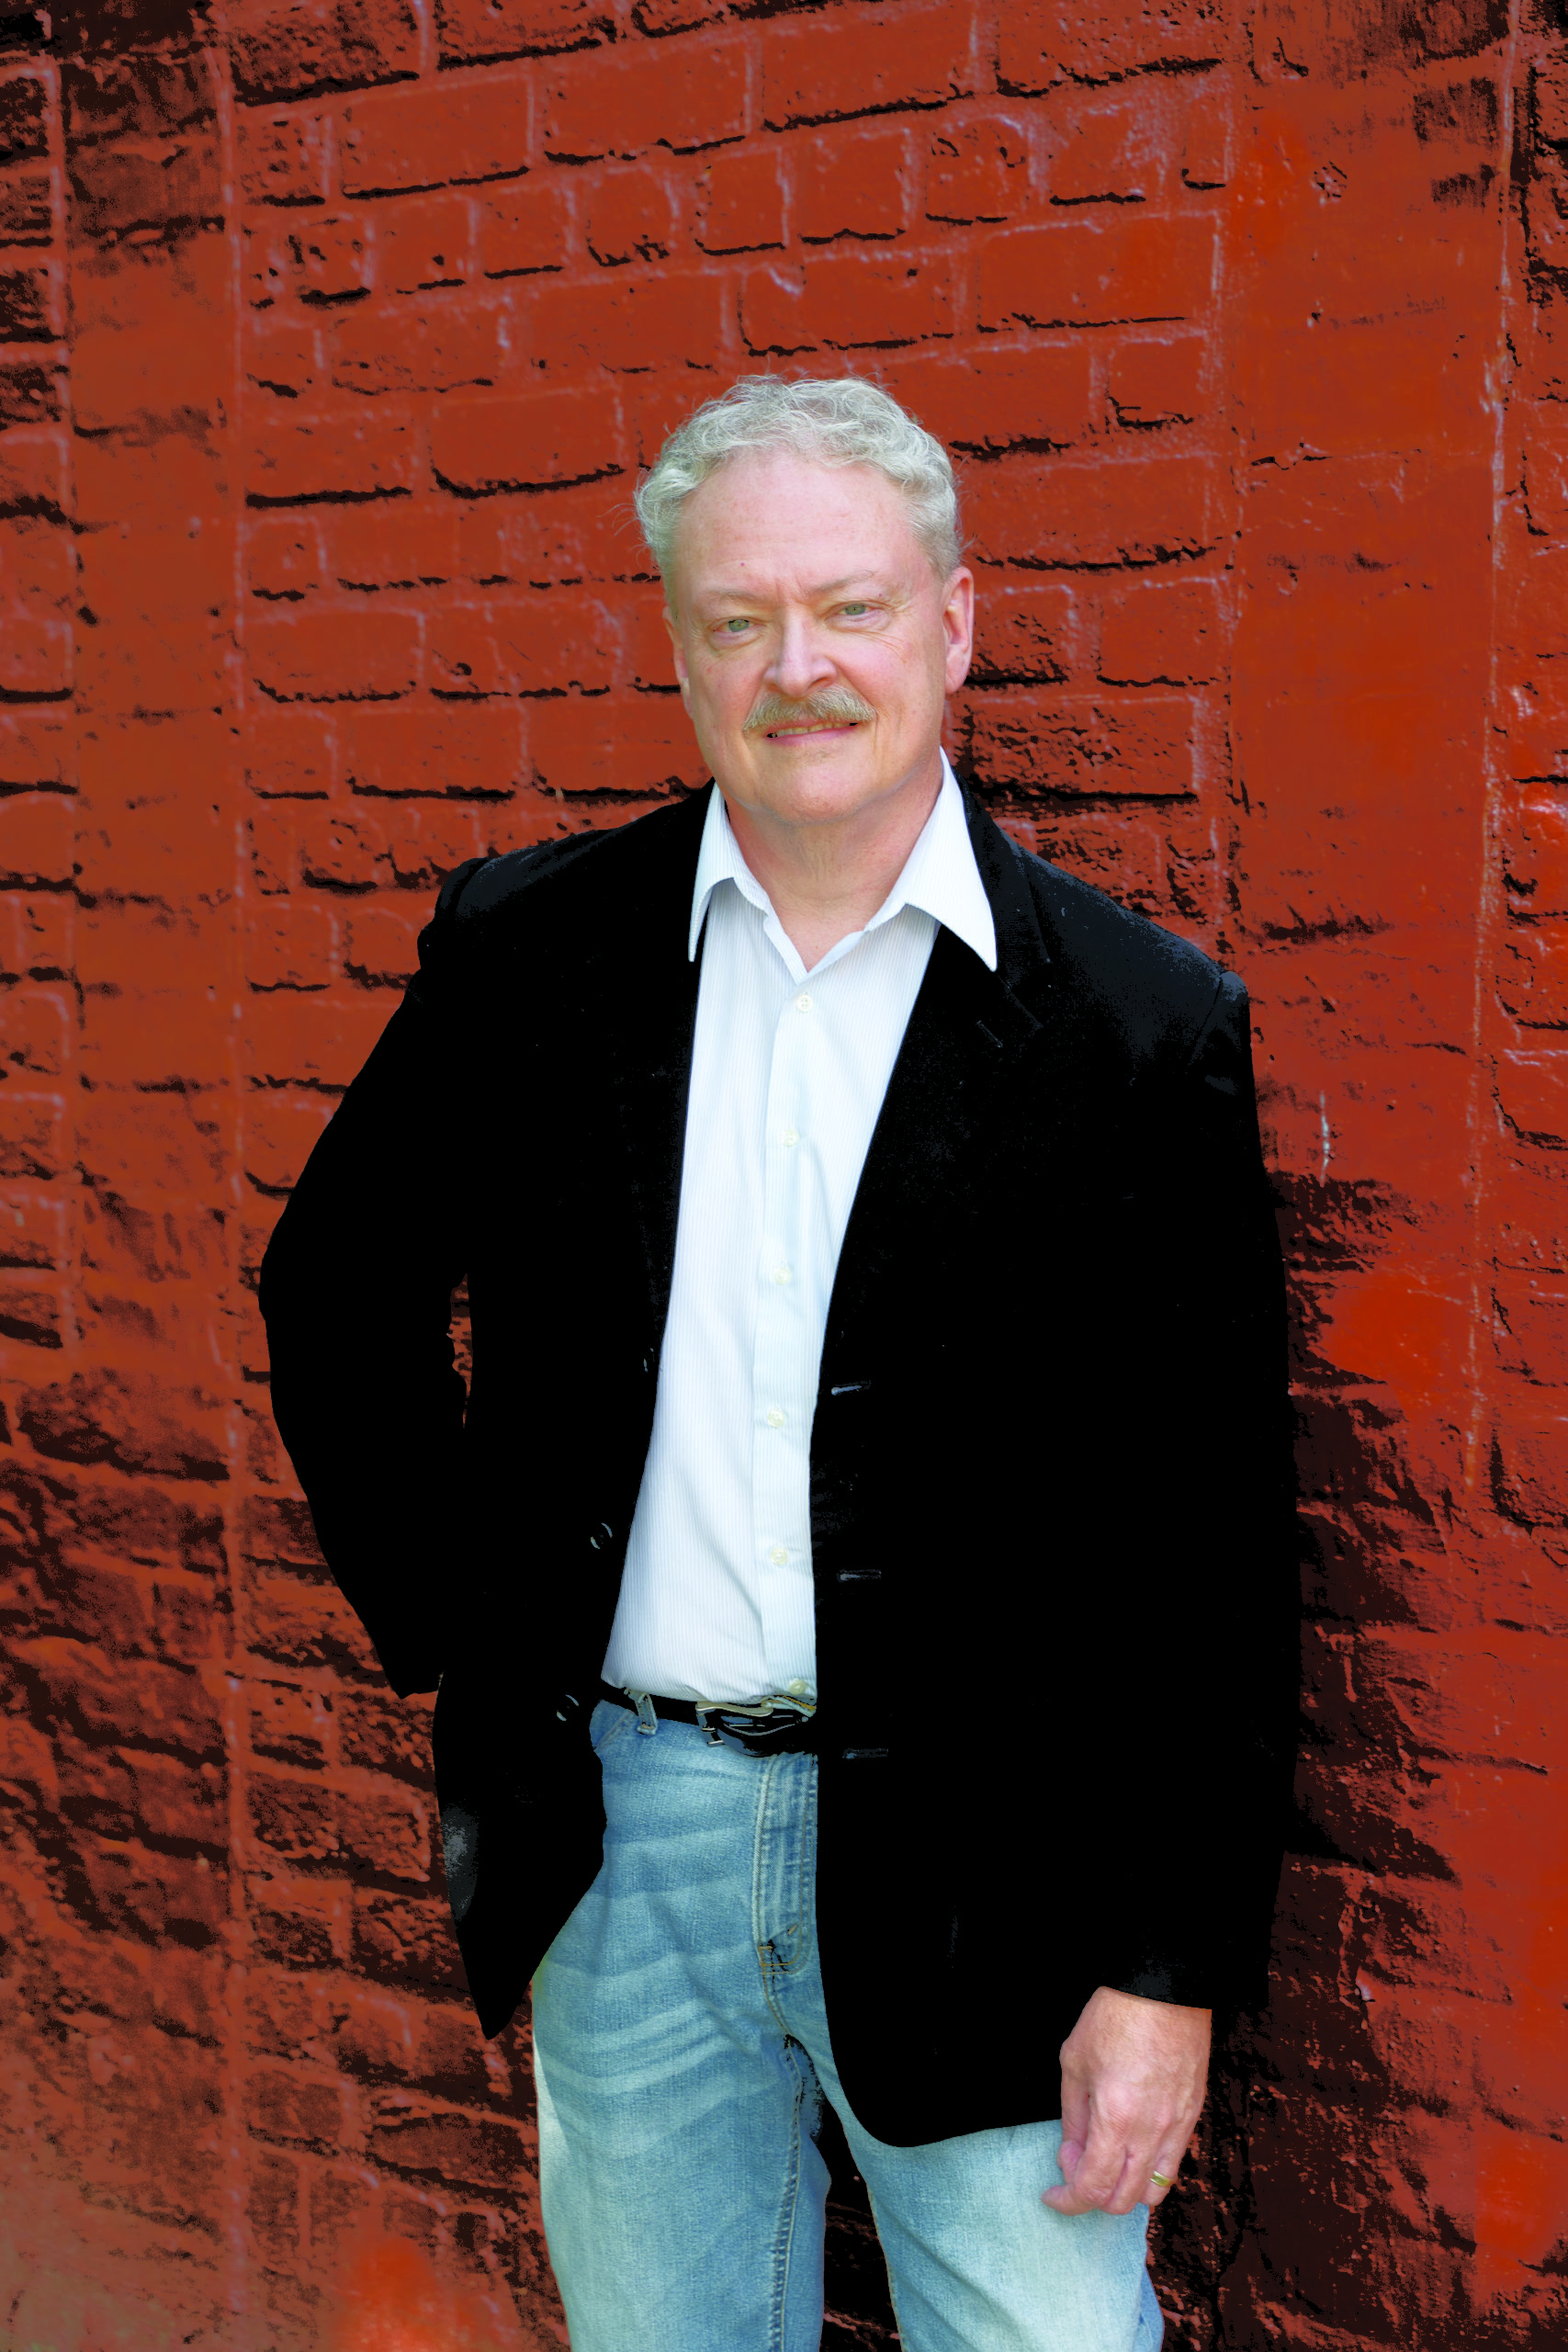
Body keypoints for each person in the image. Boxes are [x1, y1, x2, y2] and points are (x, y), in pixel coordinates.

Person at [261, 375, 1298, 2352]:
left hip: (999, 1861)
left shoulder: (1134, 1028)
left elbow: (1210, 1540)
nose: (796, 665)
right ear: (678, 644)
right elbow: (334, 1288)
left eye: (850, 607)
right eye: (738, 620)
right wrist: (474, 1625)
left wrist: (1164, 1966)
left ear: (955, 622)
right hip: (622, 1832)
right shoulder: (529, 951)